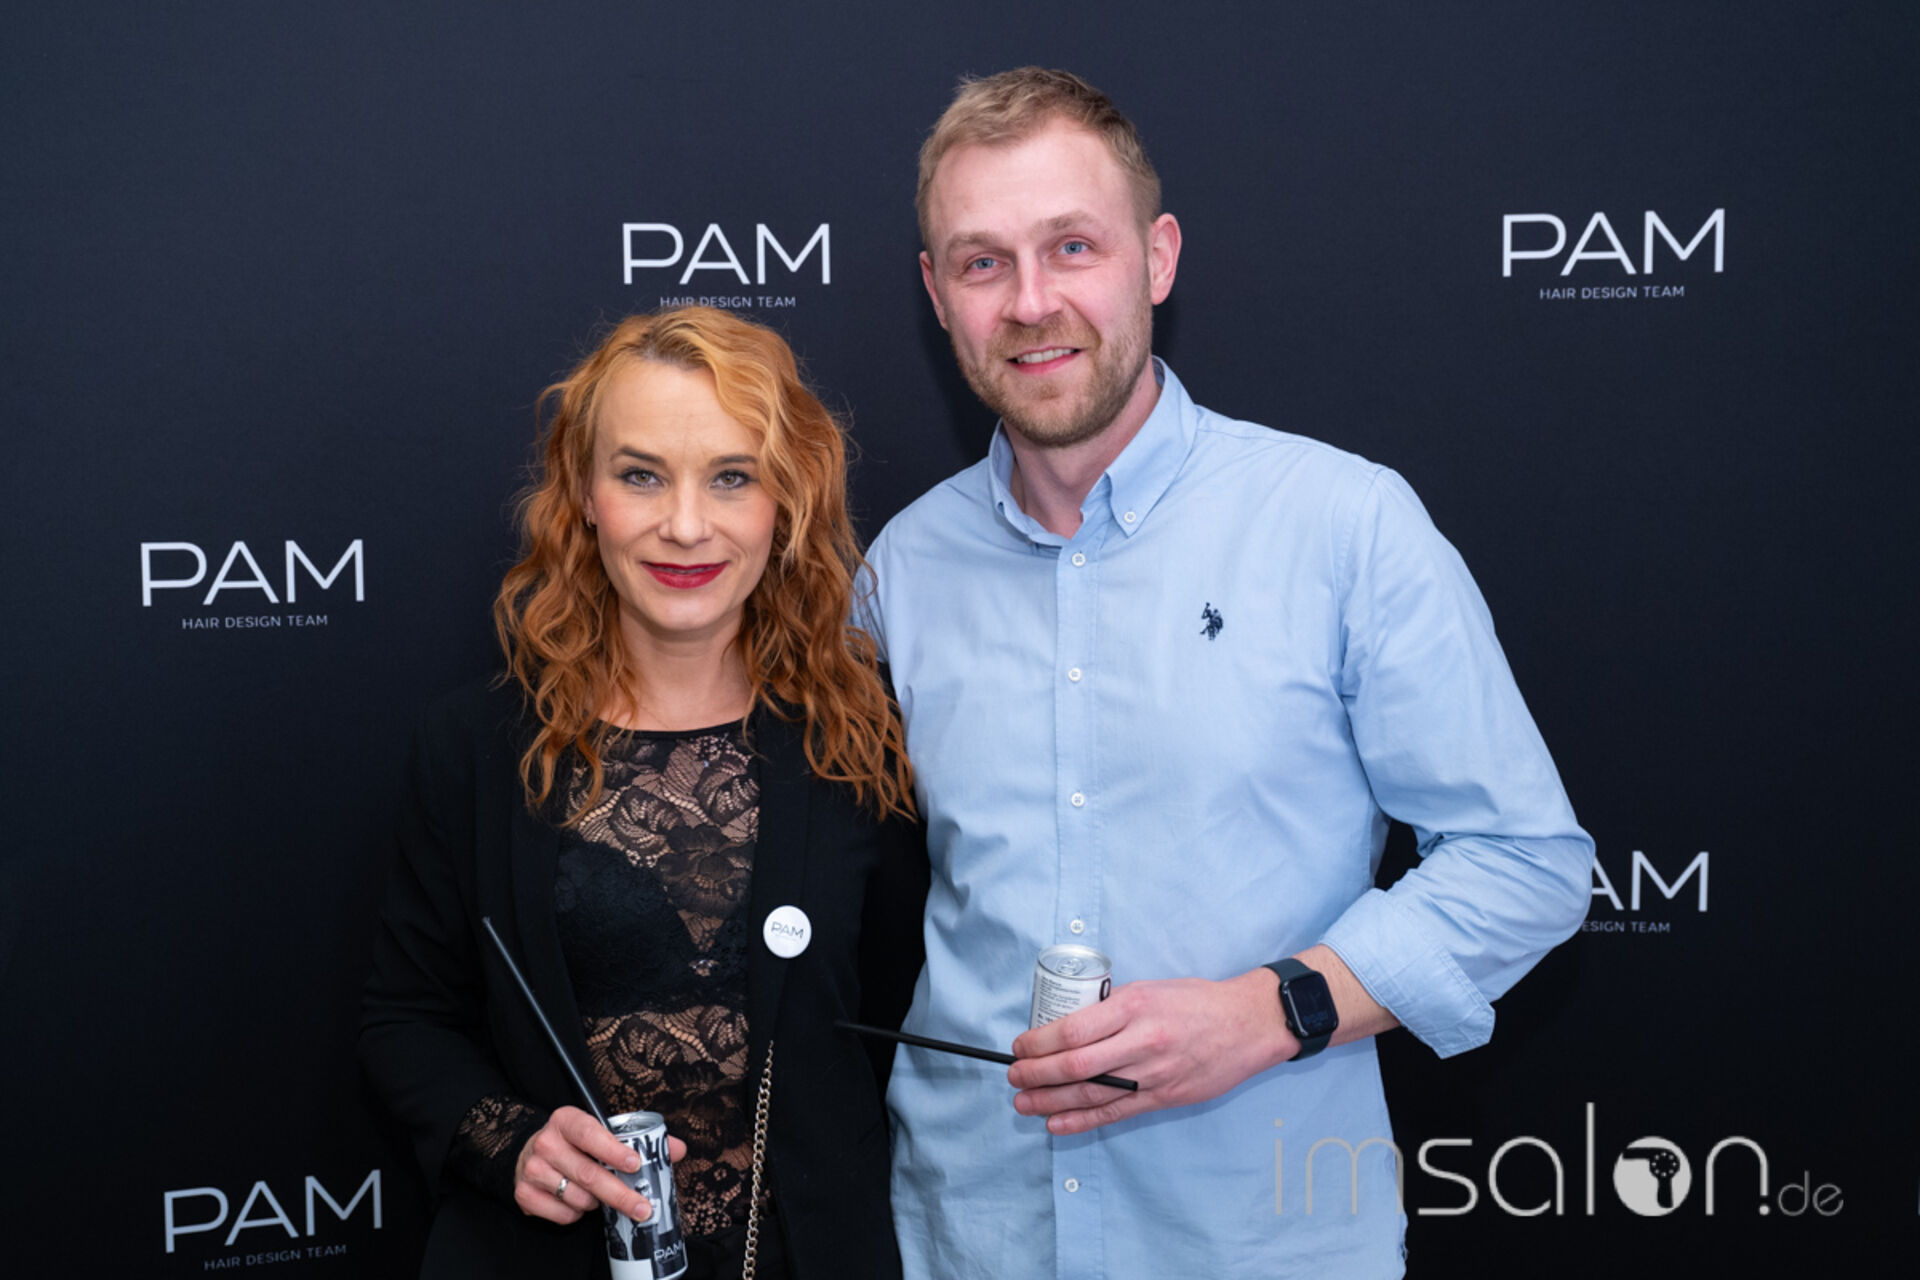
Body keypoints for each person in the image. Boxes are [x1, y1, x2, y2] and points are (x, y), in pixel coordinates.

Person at [862, 68, 1595, 1277]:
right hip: (967, 1239)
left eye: (1074, 246)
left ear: (1157, 258)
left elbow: (1528, 864)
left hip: (1263, 1238)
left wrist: (1272, 1009)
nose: (1033, 303)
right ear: (938, 293)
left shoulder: (1344, 525)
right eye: (983, 262)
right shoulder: (899, 569)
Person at [361, 306, 925, 1280]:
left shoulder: (862, 734)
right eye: (641, 475)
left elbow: (898, 1010)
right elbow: (405, 1019)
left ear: (785, 498)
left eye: (732, 476)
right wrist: (509, 1141)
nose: (686, 525)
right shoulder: (475, 747)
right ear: (584, 494)